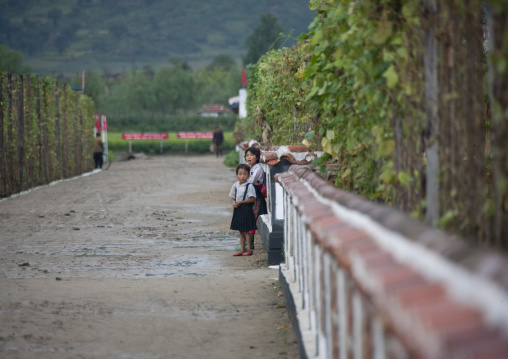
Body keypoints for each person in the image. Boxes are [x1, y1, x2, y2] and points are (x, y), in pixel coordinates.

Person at [229, 163, 257, 256]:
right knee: (241, 231)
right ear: (237, 175)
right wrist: (234, 202)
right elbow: (232, 196)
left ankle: (249, 249)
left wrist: (241, 202)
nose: (242, 176)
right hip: (238, 209)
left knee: (246, 231)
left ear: (248, 175)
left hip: (246, 209)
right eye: (240, 174)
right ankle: (242, 249)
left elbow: (252, 199)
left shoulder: (249, 186)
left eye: (245, 174)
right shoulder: (235, 185)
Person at [244, 146, 268, 250]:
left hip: (256, 195)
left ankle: (249, 244)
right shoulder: (250, 167)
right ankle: (248, 243)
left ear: (257, 157)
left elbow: (250, 181)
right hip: (251, 194)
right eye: (247, 155)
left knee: (252, 218)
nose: (249, 157)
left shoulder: (257, 168)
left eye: (252, 155)